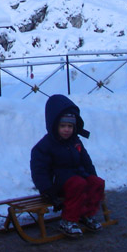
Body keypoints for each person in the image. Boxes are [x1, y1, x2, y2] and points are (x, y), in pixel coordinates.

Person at [30, 94, 105, 238]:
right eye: (62, 126)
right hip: (56, 185)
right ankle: (68, 220)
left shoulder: (75, 142)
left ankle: (86, 214)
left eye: (70, 126)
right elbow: (39, 170)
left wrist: (92, 176)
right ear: (54, 125)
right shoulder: (45, 145)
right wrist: (47, 190)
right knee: (78, 184)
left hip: (77, 178)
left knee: (97, 183)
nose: (66, 130)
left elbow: (86, 161)